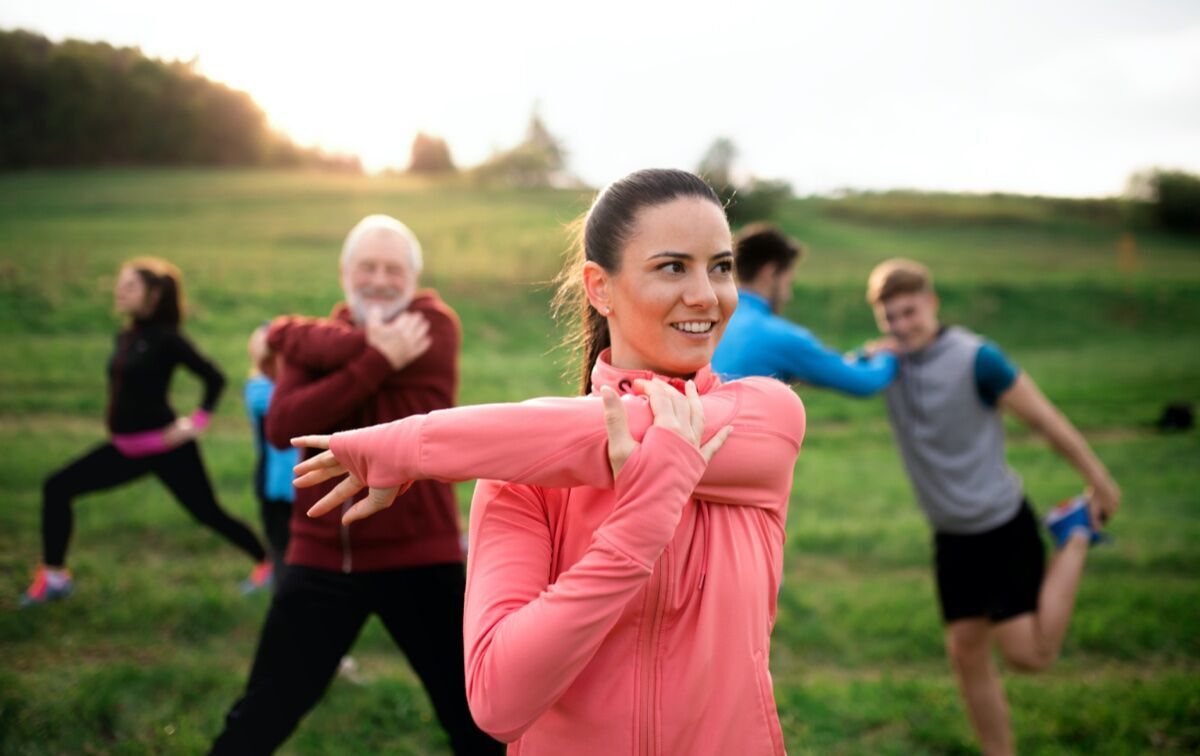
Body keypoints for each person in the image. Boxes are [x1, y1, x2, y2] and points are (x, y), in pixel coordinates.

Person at [291, 169, 807, 754]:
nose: (706, 295)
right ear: (599, 287)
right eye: (672, 267)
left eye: (720, 266)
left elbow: (599, 429)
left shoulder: (766, 415)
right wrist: (637, 530)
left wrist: (406, 446)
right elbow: (497, 702)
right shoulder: (523, 477)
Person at [211, 215, 501, 754]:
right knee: (263, 713)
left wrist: (283, 335)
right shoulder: (322, 344)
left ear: (414, 279)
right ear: (345, 273)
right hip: (323, 557)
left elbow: (320, 389)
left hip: (420, 557)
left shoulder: (435, 328)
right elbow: (284, 427)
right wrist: (377, 359)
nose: (380, 279)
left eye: (394, 269)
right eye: (367, 266)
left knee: (475, 719)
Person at [864, 258, 1121, 755]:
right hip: (950, 535)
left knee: (1030, 656)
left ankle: (1075, 535)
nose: (900, 326)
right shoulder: (887, 363)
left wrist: (1099, 480)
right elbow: (829, 371)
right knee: (966, 653)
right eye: (889, 318)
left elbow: (1047, 421)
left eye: (909, 313)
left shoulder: (978, 358)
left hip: (1000, 526)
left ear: (932, 303)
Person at [21, 257, 271, 607]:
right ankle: (55, 579)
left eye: (129, 286)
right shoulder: (126, 335)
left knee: (207, 512)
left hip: (166, 449)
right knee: (58, 487)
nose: (119, 292)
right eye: (119, 285)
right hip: (126, 449)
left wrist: (194, 425)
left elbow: (214, 377)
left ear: (153, 295)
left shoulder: (167, 339)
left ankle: (269, 563)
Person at [712, 223, 895, 395]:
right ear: (770, 272)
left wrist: (862, 356)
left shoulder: (712, 322)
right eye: (788, 283)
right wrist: (888, 354)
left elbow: (827, 366)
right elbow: (865, 381)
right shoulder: (779, 336)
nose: (788, 295)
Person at [244, 324, 298, 586]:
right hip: (272, 483)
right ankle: (279, 583)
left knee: (299, 545)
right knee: (279, 540)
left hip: (299, 483)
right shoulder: (258, 389)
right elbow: (279, 406)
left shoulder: (294, 388)